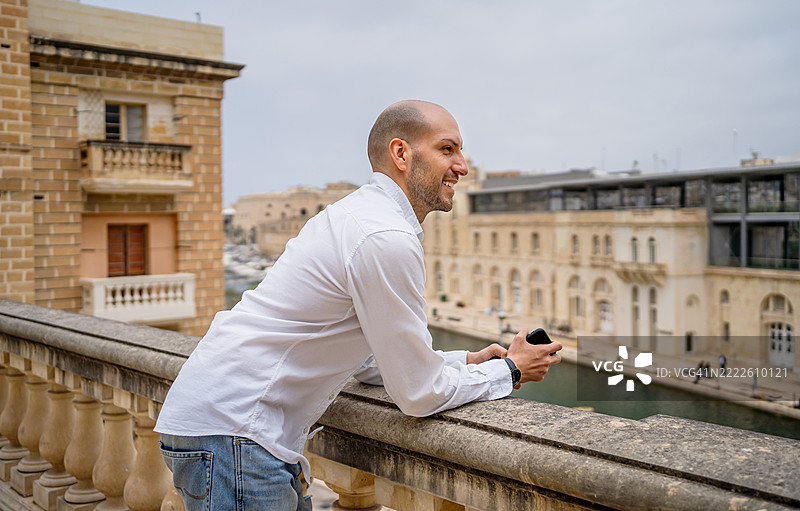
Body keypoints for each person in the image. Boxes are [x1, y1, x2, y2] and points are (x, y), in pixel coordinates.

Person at [155, 100, 563, 511]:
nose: (463, 166)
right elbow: (418, 394)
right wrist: (510, 371)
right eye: (447, 149)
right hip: (236, 437)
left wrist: (466, 361)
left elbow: (370, 362)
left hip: (230, 429)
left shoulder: (354, 216)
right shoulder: (383, 236)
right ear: (401, 153)